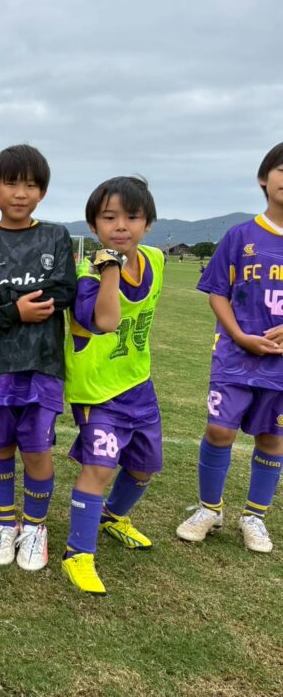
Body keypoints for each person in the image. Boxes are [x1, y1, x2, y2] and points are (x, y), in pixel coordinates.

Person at [0, 144, 76, 571]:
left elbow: (63, 291)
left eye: (31, 185)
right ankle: (5, 524)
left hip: (42, 365)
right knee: (0, 448)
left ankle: (35, 527)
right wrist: (15, 311)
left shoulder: (56, 237)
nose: (21, 193)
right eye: (11, 184)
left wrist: (1, 295)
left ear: (43, 192)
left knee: (37, 451)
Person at [176, 143, 283, 553]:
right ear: (263, 179)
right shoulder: (240, 235)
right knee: (219, 429)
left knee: (272, 438)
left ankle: (254, 516)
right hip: (235, 355)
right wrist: (238, 335)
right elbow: (217, 291)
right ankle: (210, 509)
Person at [60, 177, 163, 595]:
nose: (121, 225)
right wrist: (109, 269)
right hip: (97, 391)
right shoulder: (87, 277)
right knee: (100, 468)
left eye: (132, 217)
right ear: (93, 226)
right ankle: (78, 553)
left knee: (143, 466)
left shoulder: (156, 259)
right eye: (109, 218)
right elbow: (105, 321)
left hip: (138, 383)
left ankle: (113, 517)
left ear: (147, 224)